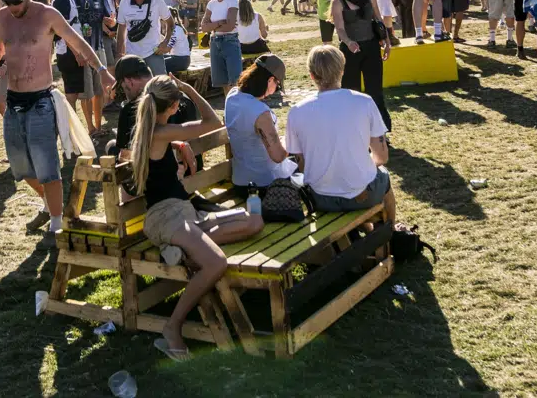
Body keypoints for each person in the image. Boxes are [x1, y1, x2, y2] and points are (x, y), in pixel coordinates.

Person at [132, 75, 263, 360]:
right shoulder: (159, 132)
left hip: (185, 212)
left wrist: (178, 143)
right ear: (173, 105)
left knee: (254, 222)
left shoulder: (157, 132)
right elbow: (213, 122)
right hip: (166, 217)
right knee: (216, 262)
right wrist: (190, 88)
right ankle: (173, 327)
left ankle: (183, 250)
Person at [0, 0, 114, 242]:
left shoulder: (47, 15)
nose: (12, 7)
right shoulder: (3, 16)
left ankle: (57, 222)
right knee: (19, 165)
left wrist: (102, 70)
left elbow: (78, 42)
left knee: (46, 164)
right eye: (7, 2)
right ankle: (50, 205)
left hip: (40, 102)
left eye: (16, 2)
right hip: (14, 100)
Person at [285, 45, 396, 224]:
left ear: (311, 75)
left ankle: (368, 231)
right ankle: (390, 231)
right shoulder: (364, 102)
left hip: (320, 197)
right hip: (363, 194)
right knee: (383, 175)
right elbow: (381, 157)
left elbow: (302, 165)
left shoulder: (296, 111)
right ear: (342, 71)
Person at [329, 0, 394, 131]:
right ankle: (354, 130)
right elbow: (340, 28)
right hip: (350, 51)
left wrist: (387, 41)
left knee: (375, 92)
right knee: (352, 93)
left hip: (371, 47)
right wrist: (349, 42)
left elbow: (378, 19)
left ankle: (381, 132)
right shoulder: (338, 1)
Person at [223, 54, 294, 189]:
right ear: (270, 80)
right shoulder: (261, 112)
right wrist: (288, 139)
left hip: (240, 182)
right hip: (265, 184)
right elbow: (278, 156)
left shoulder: (232, 96)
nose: (275, 90)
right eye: (278, 85)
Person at [73, 0, 116, 135]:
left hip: (98, 48)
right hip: (81, 51)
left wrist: (111, 22)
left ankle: (98, 127)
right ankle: (90, 127)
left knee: (99, 90)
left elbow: (111, 21)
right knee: (86, 92)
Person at [115, 0, 169, 76]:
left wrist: (165, 42)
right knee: (134, 83)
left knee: (160, 82)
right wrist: (119, 53)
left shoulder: (157, 0)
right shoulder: (125, 3)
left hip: (154, 51)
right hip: (132, 53)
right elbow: (121, 29)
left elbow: (170, 23)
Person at [201, 0, 243, 90]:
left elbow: (229, 26)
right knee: (223, 82)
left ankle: (237, 101)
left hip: (230, 41)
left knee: (235, 80)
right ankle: (228, 102)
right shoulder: (211, 3)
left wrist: (212, 26)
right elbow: (203, 27)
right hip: (215, 42)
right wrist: (219, 23)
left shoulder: (232, 0)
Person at [162, 10, 192, 77]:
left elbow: (167, 49)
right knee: (158, 58)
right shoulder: (175, 28)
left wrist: (153, 50)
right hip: (178, 58)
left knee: (159, 63)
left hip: (181, 60)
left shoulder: (175, 30)